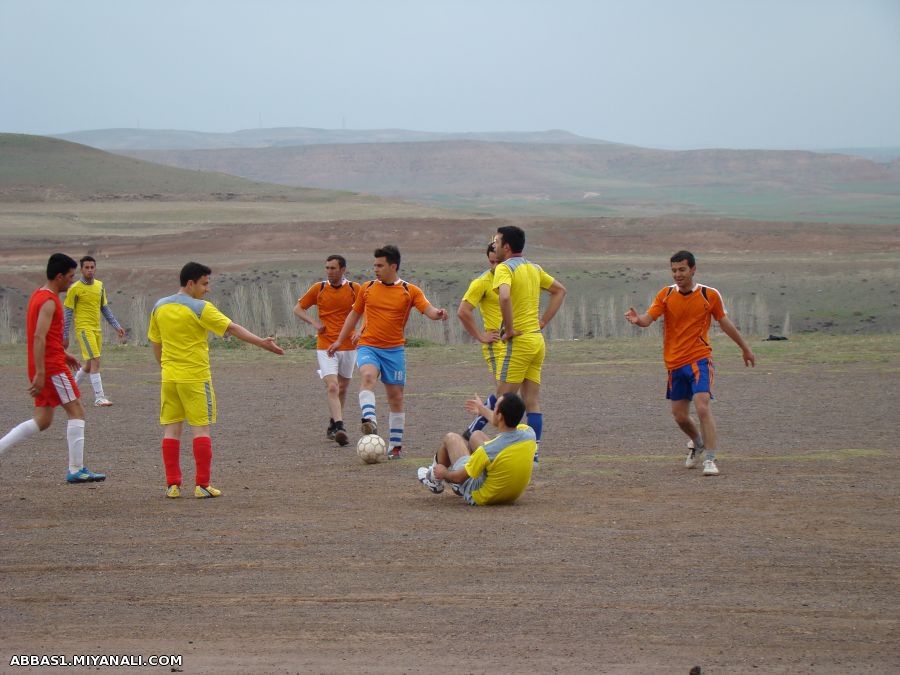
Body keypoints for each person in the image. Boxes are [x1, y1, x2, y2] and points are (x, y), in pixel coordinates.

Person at [148, 262, 284, 499]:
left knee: (172, 429)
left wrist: (164, 367)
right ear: (191, 284)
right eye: (204, 284)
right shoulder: (201, 308)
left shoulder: (159, 306)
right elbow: (232, 328)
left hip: (169, 378)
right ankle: (202, 485)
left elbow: (156, 343)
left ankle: (172, 485)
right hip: (195, 378)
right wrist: (262, 342)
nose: (207, 289)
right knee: (200, 429)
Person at [625, 250, 756, 476]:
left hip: (699, 358)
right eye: (674, 270)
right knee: (679, 415)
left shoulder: (709, 295)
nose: (677, 274)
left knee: (702, 406)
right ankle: (698, 442)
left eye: (682, 270)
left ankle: (711, 460)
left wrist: (745, 348)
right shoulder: (665, 295)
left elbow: (724, 323)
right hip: (674, 362)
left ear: (693, 270)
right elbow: (648, 319)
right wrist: (638, 321)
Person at [327, 245, 447, 459]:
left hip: (394, 351)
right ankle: (369, 420)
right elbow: (353, 316)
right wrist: (339, 340)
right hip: (368, 345)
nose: (376, 269)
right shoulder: (368, 288)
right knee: (367, 376)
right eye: (374, 265)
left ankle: (395, 446)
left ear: (393, 266)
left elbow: (428, 310)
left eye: (380, 265)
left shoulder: (410, 291)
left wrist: (438, 314)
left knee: (396, 398)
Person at [0, 253, 106, 484]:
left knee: (43, 420)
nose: (72, 280)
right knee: (77, 411)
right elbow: (38, 337)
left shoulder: (39, 294)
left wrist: (63, 353)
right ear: (59, 276)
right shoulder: (49, 302)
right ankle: (76, 469)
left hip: (47, 363)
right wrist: (41, 372)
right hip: (51, 368)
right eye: (70, 276)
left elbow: (44, 337)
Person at [491, 225, 567, 463]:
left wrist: (510, 328)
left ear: (506, 246)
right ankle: (533, 452)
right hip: (536, 340)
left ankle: (504, 452)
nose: (493, 246)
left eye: (496, 242)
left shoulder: (504, 268)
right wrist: (543, 320)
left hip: (520, 342)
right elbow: (560, 290)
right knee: (531, 398)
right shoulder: (534, 268)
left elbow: (504, 296)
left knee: (503, 400)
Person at [416, 392, 535, 506]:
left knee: (452, 438)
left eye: (495, 407)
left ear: (499, 415)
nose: (493, 410)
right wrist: (481, 408)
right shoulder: (529, 433)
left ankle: (434, 480)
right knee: (476, 435)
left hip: (481, 495)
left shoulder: (487, 450)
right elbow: (499, 422)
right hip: (510, 494)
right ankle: (453, 480)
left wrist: (444, 473)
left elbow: (458, 477)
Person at [294, 255, 360, 447]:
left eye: (333, 268)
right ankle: (340, 426)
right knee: (332, 386)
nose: (329, 272)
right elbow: (298, 309)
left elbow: (370, 310)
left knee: (343, 387)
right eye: (327, 268)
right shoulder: (319, 288)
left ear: (343, 270)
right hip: (325, 345)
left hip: (348, 346)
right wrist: (315, 323)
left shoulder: (355, 289)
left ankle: (333, 422)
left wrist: (361, 331)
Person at [62, 255, 126, 407]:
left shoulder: (100, 286)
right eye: (87, 268)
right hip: (84, 329)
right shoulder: (75, 288)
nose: (90, 270)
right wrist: (64, 336)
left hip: (97, 329)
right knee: (96, 360)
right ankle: (99, 397)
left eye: (92, 267)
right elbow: (68, 312)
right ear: (81, 269)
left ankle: (69, 392)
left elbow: (104, 308)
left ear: (95, 268)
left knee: (89, 365)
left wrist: (116, 326)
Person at [457, 242, 503, 440]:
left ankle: (473, 429)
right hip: (496, 346)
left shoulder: (514, 277)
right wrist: (480, 336)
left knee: (509, 394)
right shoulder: (482, 282)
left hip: (517, 344)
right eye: (491, 262)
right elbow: (463, 311)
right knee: (506, 394)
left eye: (498, 262)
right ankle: (473, 432)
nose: (494, 267)